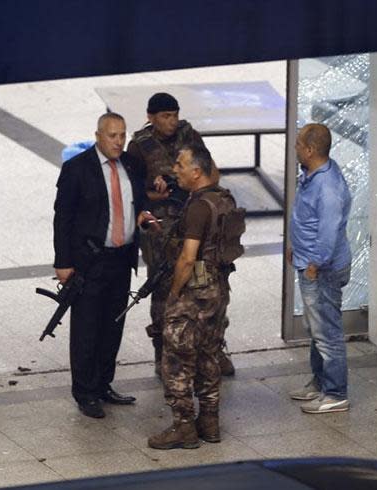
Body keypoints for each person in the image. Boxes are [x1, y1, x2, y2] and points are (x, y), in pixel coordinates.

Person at [53, 112, 157, 419]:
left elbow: (138, 202)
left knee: (113, 325)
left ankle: (103, 384)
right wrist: (63, 262)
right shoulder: (77, 169)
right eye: (113, 136)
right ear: (98, 135)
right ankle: (85, 392)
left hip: (121, 259)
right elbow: (63, 219)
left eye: (123, 135)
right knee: (86, 327)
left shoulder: (132, 165)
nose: (119, 141)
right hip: (90, 261)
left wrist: (144, 217)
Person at [126, 92, 235, 378]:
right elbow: (134, 194)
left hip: (194, 220)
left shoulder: (189, 136)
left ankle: (213, 348)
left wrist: (183, 185)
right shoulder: (140, 147)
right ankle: (163, 353)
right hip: (161, 228)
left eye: (174, 115)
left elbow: (212, 174)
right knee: (164, 288)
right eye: (165, 116)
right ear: (151, 117)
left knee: (208, 283)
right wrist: (156, 192)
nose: (171, 122)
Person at [147, 145, 236, 450]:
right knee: (209, 355)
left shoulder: (198, 207)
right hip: (217, 290)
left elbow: (187, 258)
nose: (176, 169)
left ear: (196, 172)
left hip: (194, 294)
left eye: (181, 165)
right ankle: (209, 423)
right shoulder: (223, 199)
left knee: (177, 359)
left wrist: (173, 294)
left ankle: (183, 427)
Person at [286, 123, 353, 414]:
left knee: (327, 332)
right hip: (309, 262)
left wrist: (314, 264)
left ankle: (336, 392)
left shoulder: (327, 188)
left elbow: (327, 233)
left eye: (299, 143)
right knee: (317, 328)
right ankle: (320, 381)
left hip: (321, 269)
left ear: (311, 150)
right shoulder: (314, 174)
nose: (295, 147)